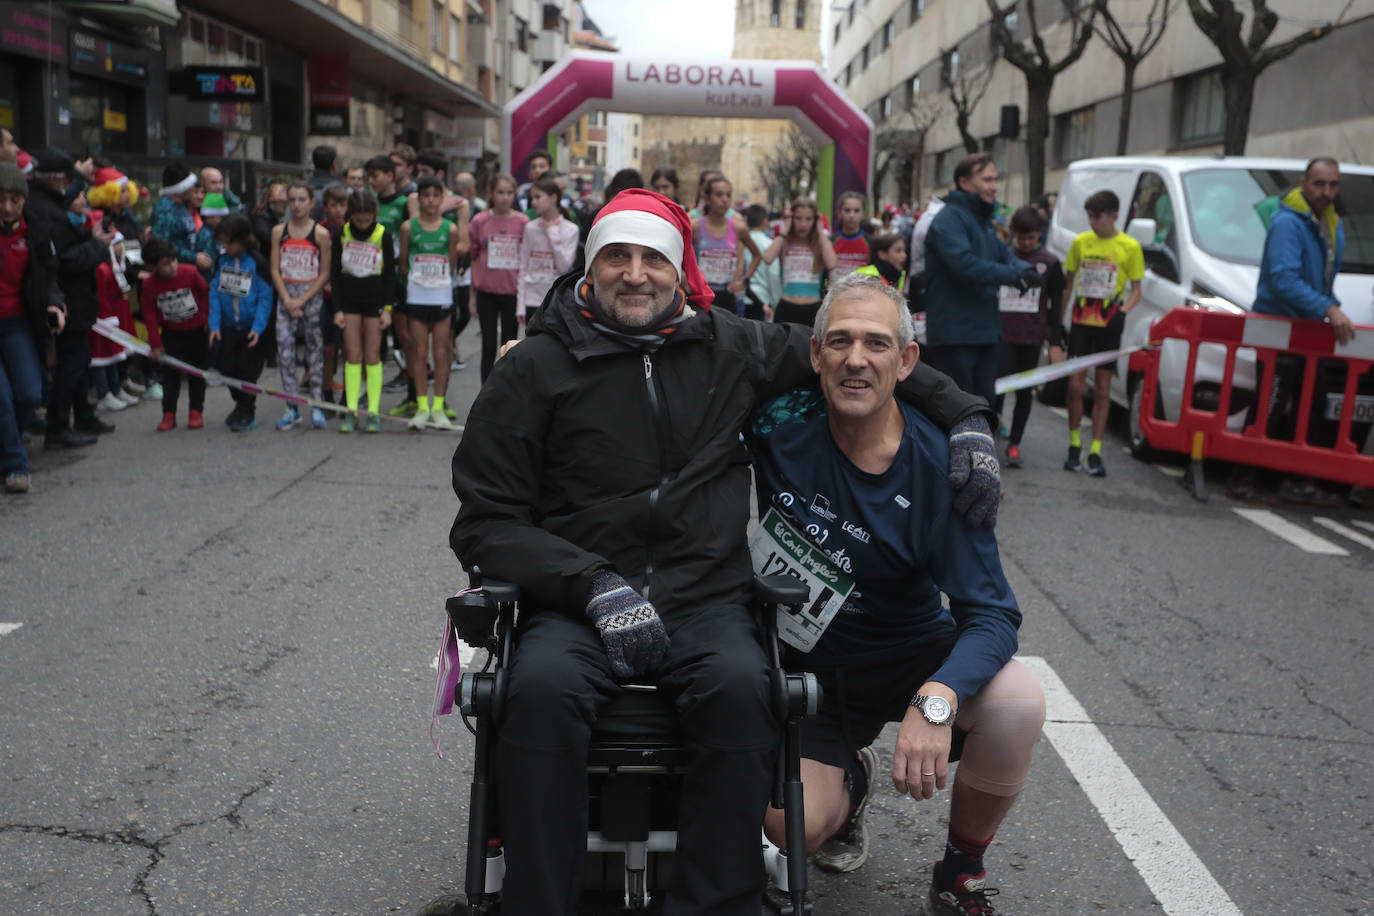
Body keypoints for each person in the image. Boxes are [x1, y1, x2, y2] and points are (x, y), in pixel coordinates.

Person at [450, 188, 1001, 916]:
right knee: (541, 694)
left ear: (681, 272)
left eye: (654, 258)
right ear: (589, 266)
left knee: (744, 694)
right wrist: (591, 587)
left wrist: (964, 417)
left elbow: (849, 352)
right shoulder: (533, 369)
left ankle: (715, 905)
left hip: (705, 601)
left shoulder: (733, 345)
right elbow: (485, 522)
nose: (636, 273)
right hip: (576, 603)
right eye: (617, 255)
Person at [749, 272, 1043, 916]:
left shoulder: (947, 465)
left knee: (1017, 702)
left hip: (907, 651)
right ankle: (852, 784)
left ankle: (960, 871)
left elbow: (992, 613)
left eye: (878, 344)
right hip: (805, 670)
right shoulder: (775, 420)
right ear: (815, 353)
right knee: (788, 827)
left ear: (907, 361)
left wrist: (938, 698)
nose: (857, 360)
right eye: (842, 342)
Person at [1232, 156, 1357, 506]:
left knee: (1310, 404)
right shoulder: (1288, 223)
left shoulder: (1330, 222)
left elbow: (1321, 278)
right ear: (1304, 183)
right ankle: (1244, 476)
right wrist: (1328, 308)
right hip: (1278, 327)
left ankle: (1292, 478)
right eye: (1319, 183)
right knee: (1272, 403)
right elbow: (1284, 279)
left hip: (1306, 328)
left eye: (1333, 184)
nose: (1326, 191)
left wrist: (1330, 305)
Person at [923, 153, 1039, 409]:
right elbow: (963, 264)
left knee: (984, 410)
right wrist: (1014, 276)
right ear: (965, 183)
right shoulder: (949, 219)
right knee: (958, 412)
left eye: (995, 179)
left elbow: (1003, 254)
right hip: (954, 335)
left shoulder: (982, 221)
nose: (994, 186)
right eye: (987, 179)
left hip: (984, 333)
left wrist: (1028, 270)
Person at [26, 147, 118, 448]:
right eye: (67, 180)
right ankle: (58, 426)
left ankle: (83, 414)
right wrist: (99, 246)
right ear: (55, 178)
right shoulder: (45, 210)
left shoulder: (48, 206)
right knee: (73, 361)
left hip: (72, 297)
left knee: (78, 359)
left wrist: (89, 239)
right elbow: (67, 260)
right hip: (66, 297)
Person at [1060, 189, 1143, 477]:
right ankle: (1074, 444)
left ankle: (1095, 449)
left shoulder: (1130, 246)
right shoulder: (1081, 243)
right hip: (1082, 323)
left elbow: (1137, 290)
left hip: (1109, 325)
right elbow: (1068, 284)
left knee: (1104, 388)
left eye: (1098, 216)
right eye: (1090, 216)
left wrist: (1123, 313)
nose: (1092, 222)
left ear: (1115, 216)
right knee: (1075, 386)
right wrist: (1059, 322)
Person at [0, 161, 67, 492]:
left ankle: (8, 443)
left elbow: (49, 274)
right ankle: (15, 465)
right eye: (1, 199)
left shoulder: (36, 229)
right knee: (1, 398)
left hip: (17, 322)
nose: (8, 206)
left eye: (15, 199)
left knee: (30, 392)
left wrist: (55, 303)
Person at [399, 174, 468, 430]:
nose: (429, 200)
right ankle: (422, 406)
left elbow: (451, 264)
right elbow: (403, 263)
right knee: (418, 351)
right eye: (425, 195)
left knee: (441, 352)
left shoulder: (449, 229)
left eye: (434, 195)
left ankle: (438, 406)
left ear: (442, 198)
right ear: (419, 198)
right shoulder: (408, 227)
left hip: (441, 297)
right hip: (417, 296)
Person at [996, 207, 1064, 468]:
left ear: (1040, 234)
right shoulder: (1004, 258)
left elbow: (1055, 307)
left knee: (1024, 392)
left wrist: (1055, 343)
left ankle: (1015, 443)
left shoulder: (1050, 263)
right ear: (1013, 233)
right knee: (997, 389)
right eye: (1021, 238)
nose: (1025, 243)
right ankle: (991, 434)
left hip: (1031, 338)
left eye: (1031, 238)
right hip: (1002, 335)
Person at [330, 188, 397, 433]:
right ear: (351, 216)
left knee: (373, 356)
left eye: (367, 219)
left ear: (373, 214)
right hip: (349, 301)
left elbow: (390, 275)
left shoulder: (383, 235)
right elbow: (335, 274)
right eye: (358, 219)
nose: (362, 224)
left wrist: (388, 308)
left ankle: (373, 412)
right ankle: (351, 411)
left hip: (374, 302)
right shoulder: (342, 234)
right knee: (352, 355)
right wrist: (337, 308)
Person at [270, 182, 332, 430]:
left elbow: (325, 273)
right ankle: (291, 406)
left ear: (311, 203)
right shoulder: (279, 231)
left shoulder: (320, 234)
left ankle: (317, 405)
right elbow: (274, 268)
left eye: (301, 200)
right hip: (286, 296)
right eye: (292, 200)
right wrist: (287, 299)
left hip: (311, 297)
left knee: (314, 353)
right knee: (285, 353)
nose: (296, 205)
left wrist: (302, 300)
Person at [208, 213, 273, 432]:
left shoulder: (257, 262)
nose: (225, 247)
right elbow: (215, 293)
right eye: (222, 242)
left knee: (248, 373)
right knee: (227, 368)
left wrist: (258, 328)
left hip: (251, 329)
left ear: (243, 239)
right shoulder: (222, 261)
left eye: (229, 242)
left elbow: (265, 297)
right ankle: (241, 405)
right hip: (228, 327)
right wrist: (214, 324)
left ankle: (247, 411)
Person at [141, 237, 210, 432]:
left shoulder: (190, 272)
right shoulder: (149, 285)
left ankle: (196, 411)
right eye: (165, 264)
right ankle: (169, 413)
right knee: (170, 376)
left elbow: (205, 292)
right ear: (154, 267)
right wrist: (155, 343)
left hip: (197, 331)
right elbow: (149, 313)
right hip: (172, 334)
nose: (172, 266)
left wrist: (207, 320)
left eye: (173, 260)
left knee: (197, 373)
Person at [468, 173, 526, 382]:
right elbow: (474, 257)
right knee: (489, 345)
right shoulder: (479, 220)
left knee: (509, 346)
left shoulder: (522, 222)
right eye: (500, 192)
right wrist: (472, 296)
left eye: (509, 193)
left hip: (512, 293)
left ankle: (505, 390)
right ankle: (485, 392)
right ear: (491, 194)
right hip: (486, 293)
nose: (504, 197)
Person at [691, 174, 761, 317]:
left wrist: (744, 281)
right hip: (702, 296)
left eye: (728, 195)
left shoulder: (738, 228)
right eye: (719, 195)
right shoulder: (696, 226)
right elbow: (680, 257)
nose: (725, 200)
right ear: (707, 199)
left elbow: (757, 255)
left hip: (728, 296)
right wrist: (688, 279)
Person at [761, 197, 837, 326]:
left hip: (813, 307)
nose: (803, 224)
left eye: (808, 219)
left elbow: (831, 263)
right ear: (791, 218)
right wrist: (784, 230)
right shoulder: (785, 241)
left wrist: (820, 230)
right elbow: (768, 258)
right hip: (786, 306)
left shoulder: (820, 243)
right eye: (798, 218)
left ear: (815, 220)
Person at [517, 177, 578, 325]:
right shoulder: (530, 228)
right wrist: (520, 305)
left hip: (555, 298)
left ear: (553, 198)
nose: (533, 202)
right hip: (531, 299)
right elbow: (523, 267)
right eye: (532, 198)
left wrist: (553, 233)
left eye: (538, 197)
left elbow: (564, 267)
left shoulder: (570, 229)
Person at [90, 237, 140, 412]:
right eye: (116, 244)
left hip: (115, 312)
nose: (120, 247)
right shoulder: (101, 269)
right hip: (104, 316)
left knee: (114, 354)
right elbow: (102, 294)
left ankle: (116, 388)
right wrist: (108, 317)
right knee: (102, 357)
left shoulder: (114, 266)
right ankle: (104, 392)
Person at [319, 185, 350, 403]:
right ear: (325, 207)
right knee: (328, 350)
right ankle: (327, 391)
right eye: (333, 205)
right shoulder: (319, 231)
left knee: (350, 350)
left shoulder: (353, 230)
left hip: (349, 298)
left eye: (342, 205)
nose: (338, 210)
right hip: (326, 299)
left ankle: (349, 393)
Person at [740, 203, 779, 321]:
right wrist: (776, 301)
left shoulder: (741, 242)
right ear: (764, 220)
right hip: (762, 299)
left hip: (742, 297)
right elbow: (773, 275)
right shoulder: (769, 244)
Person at [831, 191, 872, 283]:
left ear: (864, 214)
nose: (851, 215)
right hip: (835, 294)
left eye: (856, 211)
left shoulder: (871, 242)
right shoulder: (830, 241)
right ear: (839, 214)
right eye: (847, 210)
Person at [516, 149, 552, 214]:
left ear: (551, 170)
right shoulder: (521, 199)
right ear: (529, 173)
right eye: (533, 167)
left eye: (542, 166)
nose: (537, 170)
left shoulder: (565, 199)